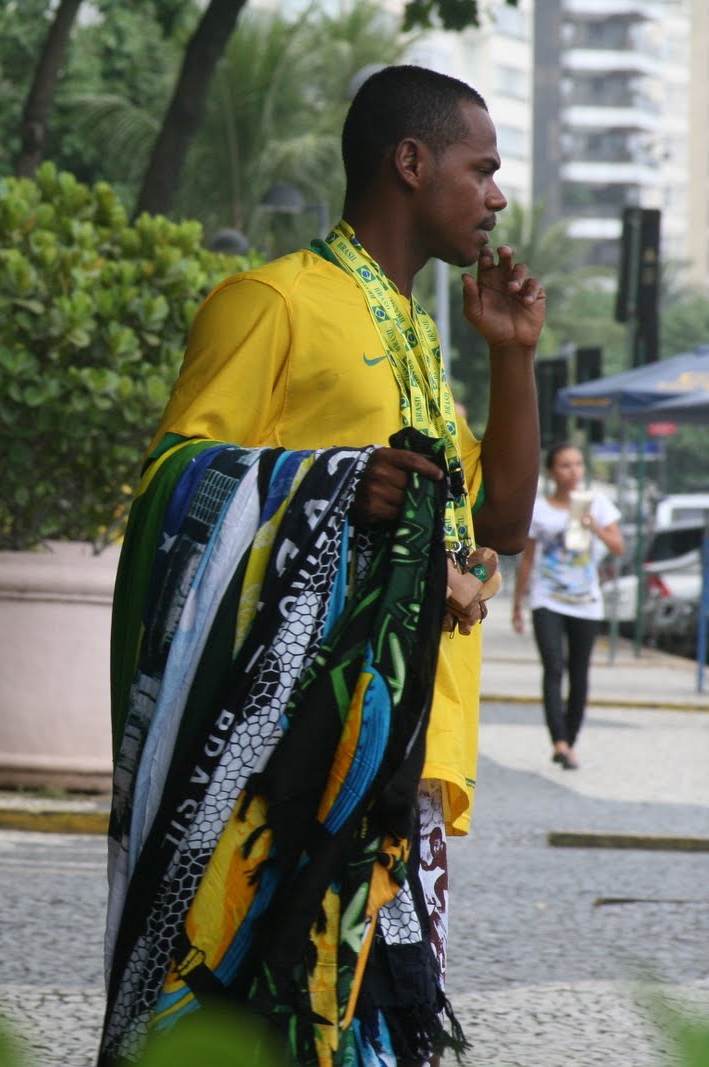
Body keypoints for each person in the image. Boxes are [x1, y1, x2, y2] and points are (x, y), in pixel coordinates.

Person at [102, 65, 543, 1067]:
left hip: (405, 761)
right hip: (282, 759)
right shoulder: (270, 303)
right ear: (408, 161)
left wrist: (512, 355)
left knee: (376, 1032)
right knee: (251, 1022)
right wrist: (338, 486)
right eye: (482, 170)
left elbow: (500, 521)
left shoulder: (423, 344)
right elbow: (173, 493)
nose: (496, 196)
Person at [511, 443, 623, 770]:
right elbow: (527, 560)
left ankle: (570, 741)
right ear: (552, 472)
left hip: (586, 601)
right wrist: (518, 605)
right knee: (553, 666)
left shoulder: (598, 504)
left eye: (578, 464)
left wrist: (595, 527)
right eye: (565, 466)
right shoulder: (541, 510)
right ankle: (558, 740)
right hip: (547, 598)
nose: (573, 471)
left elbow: (618, 546)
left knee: (579, 671)